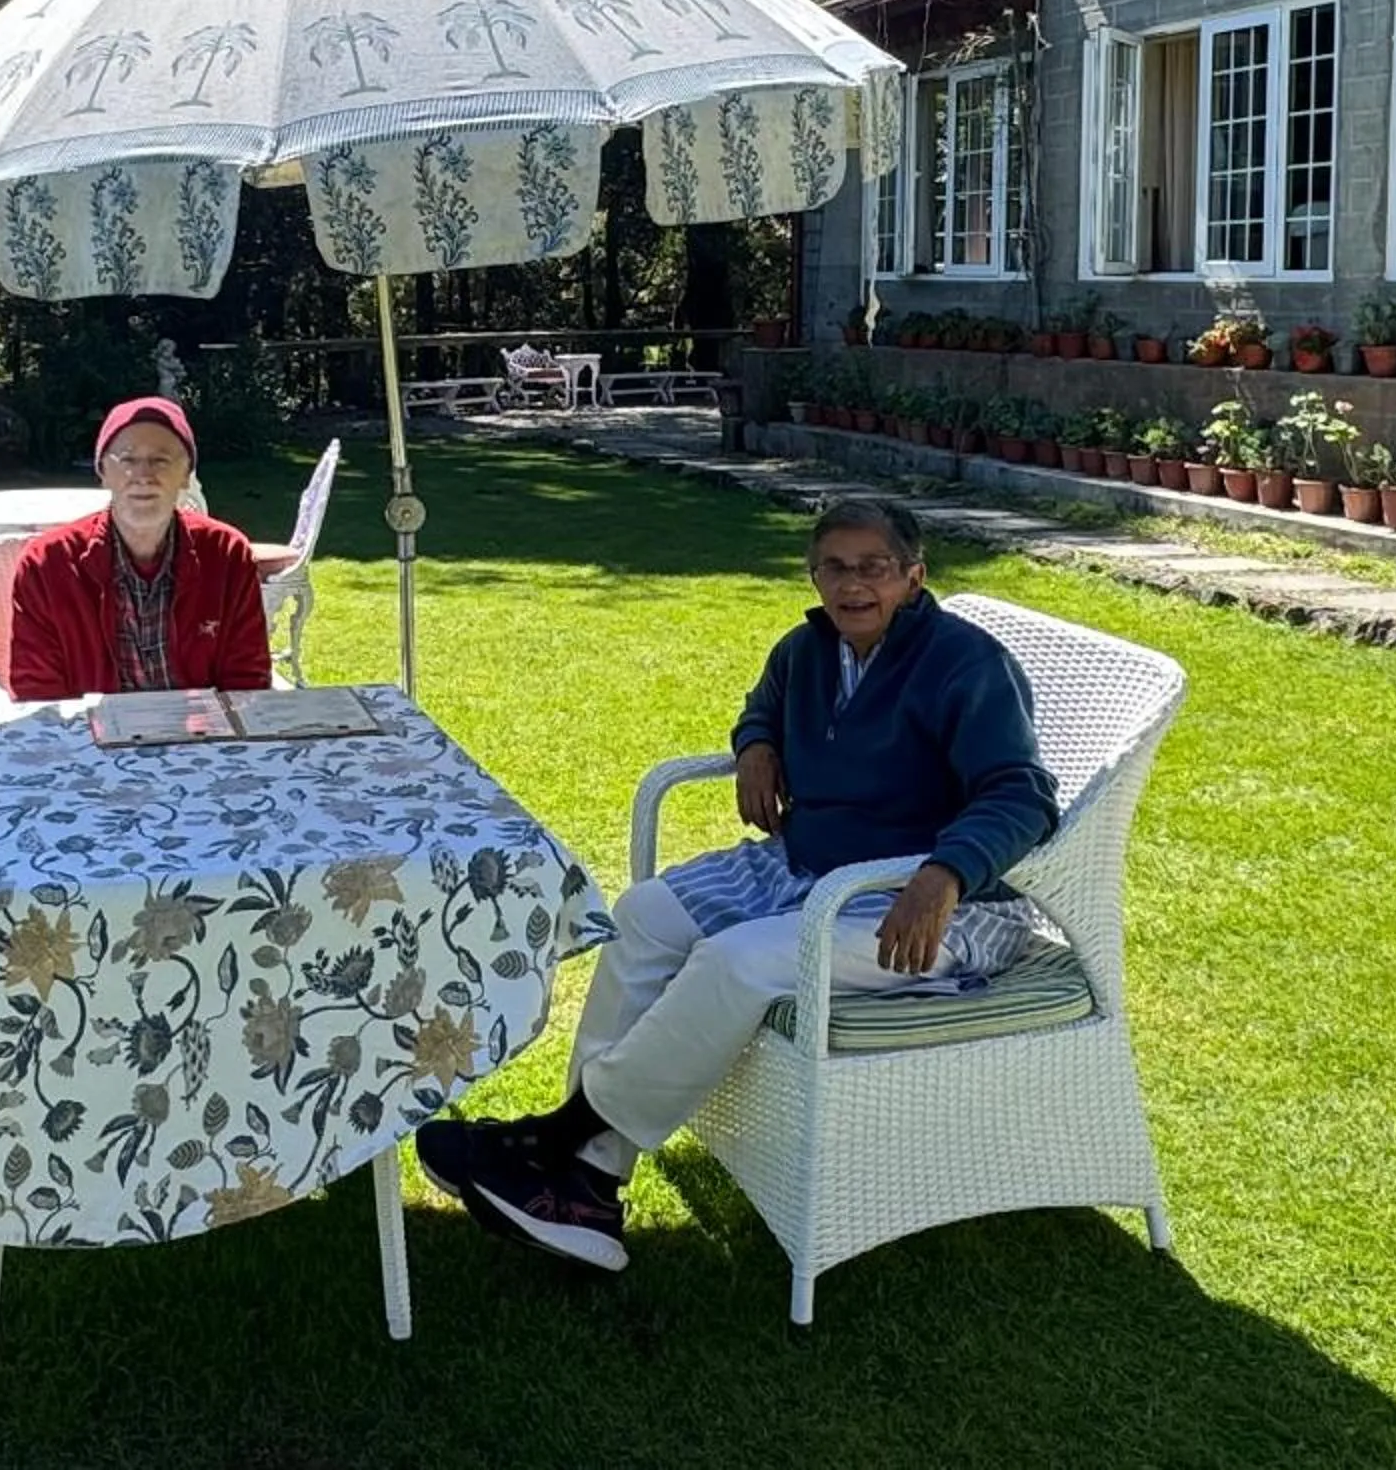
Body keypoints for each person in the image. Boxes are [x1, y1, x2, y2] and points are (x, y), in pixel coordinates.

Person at [416, 496, 1060, 1272]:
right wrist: (756, 746)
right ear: (814, 576)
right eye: (835, 567)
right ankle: (592, 1183)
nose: (854, 585)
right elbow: (764, 709)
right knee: (644, 914)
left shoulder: (966, 664)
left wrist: (946, 873)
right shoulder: (808, 652)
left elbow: (1022, 793)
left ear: (915, 577)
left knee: (736, 962)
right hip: (808, 867)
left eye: (875, 568)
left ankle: (558, 1143)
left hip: (927, 906)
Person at [7, 395, 273, 699]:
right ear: (102, 472)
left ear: (186, 475)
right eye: (128, 459)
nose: (143, 476)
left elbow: (247, 680)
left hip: (199, 735)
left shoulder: (226, 554)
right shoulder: (47, 565)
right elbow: (37, 694)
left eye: (160, 460)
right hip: (88, 737)